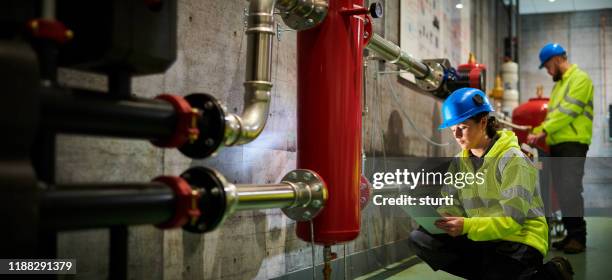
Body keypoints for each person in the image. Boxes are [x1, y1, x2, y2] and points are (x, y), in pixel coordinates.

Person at [408, 88, 573, 279]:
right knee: (420, 239)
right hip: (483, 236)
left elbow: (511, 221)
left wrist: (466, 226)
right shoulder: (459, 163)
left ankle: (551, 274)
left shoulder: (513, 159)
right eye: (453, 129)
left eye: (462, 126)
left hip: (520, 240)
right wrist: (444, 219)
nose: (457, 135)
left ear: (483, 122)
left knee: (497, 272)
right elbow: (451, 205)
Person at [527, 43, 594, 254]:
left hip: (573, 143)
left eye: (547, 66)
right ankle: (569, 234)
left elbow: (569, 112)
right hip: (557, 144)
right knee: (563, 191)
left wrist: (542, 130)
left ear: (556, 60)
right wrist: (535, 131)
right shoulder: (559, 86)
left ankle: (578, 237)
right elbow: (552, 117)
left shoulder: (580, 79)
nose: (547, 71)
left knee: (571, 189)